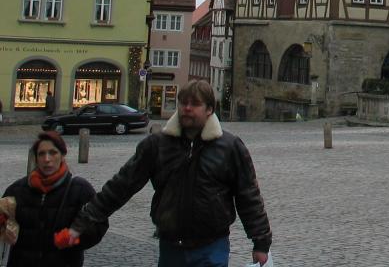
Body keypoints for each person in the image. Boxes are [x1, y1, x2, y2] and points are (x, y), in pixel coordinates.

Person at [66, 80, 272, 267]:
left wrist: (261, 243)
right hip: (171, 246)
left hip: (212, 246)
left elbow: (248, 196)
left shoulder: (230, 147)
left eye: (194, 104)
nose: (187, 109)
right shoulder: (157, 145)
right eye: (183, 103)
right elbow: (121, 186)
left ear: (209, 109)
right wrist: (83, 222)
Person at [1, 131, 107, 266]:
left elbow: (99, 223)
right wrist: (4, 226)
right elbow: (3, 221)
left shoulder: (80, 189)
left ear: (62, 155)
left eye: (53, 152)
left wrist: (75, 237)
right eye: (41, 154)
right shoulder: (17, 190)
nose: (47, 159)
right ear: (36, 158)